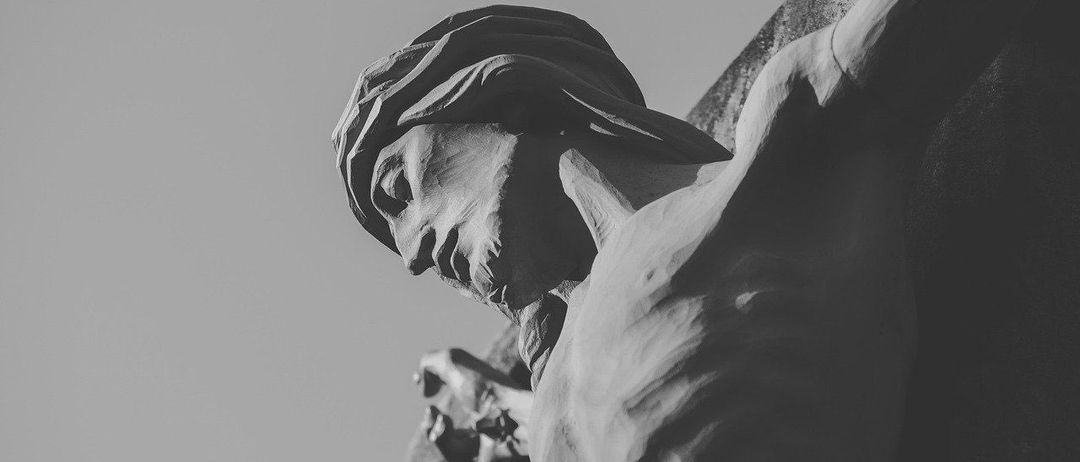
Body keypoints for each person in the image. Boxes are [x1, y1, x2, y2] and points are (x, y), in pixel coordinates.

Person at [331, 1, 1036, 460]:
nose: (413, 253)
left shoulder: (776, 162)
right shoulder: (552, 394)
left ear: (502, 95)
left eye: (399, 189)